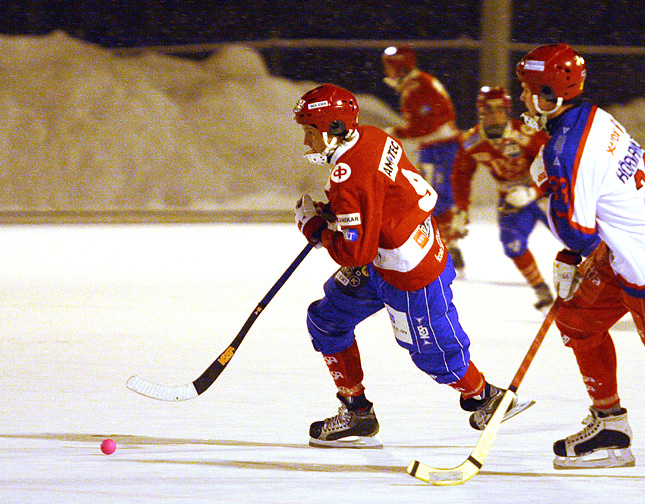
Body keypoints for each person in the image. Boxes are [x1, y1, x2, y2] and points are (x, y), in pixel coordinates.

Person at [292, 83, 532, 448]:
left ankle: (484, 398)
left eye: (311, 132)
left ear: (335, 128)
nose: (307, 143)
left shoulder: (347, 174)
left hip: (409, 271)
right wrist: (338, 215)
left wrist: (315, 229)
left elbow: (354, 252)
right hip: (391, 254)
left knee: (432, 351)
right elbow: (379, 194)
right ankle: (356, 411)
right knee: (327, 319)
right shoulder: (371, 136)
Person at [516, 42, 645, 469]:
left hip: (638, 262)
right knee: (577, 318)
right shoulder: (592, 117)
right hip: (622, 253)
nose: (520, 98)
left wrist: (575, 259)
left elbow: (575, 228)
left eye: (527, 89)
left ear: (549, 95)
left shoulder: (566, 150)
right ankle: (610, 427)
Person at [451, 86, 554, 310]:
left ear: (508, 111)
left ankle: (605, 279)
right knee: (512, 244)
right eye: (489, 109)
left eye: (500, 109)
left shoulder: (525, 134)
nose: (494, 115)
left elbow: (554, 163)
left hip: (544, 193)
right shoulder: (472, 141)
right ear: (480, 112)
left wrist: (534, 191)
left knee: (576, 235)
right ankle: (540, 288)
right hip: (510, 197)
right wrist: (461, 207)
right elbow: (461, 174)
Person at [381, 46, 466, 274]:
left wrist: (397, 133)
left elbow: (430, 124)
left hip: (441, 147)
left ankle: (446, 250)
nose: (386, 70)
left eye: (389, 65)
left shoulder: (418, 87)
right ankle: (450, 248)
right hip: (436, 147)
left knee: (435, 198)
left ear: (400, 65)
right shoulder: (417, 84)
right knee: (433, 197)